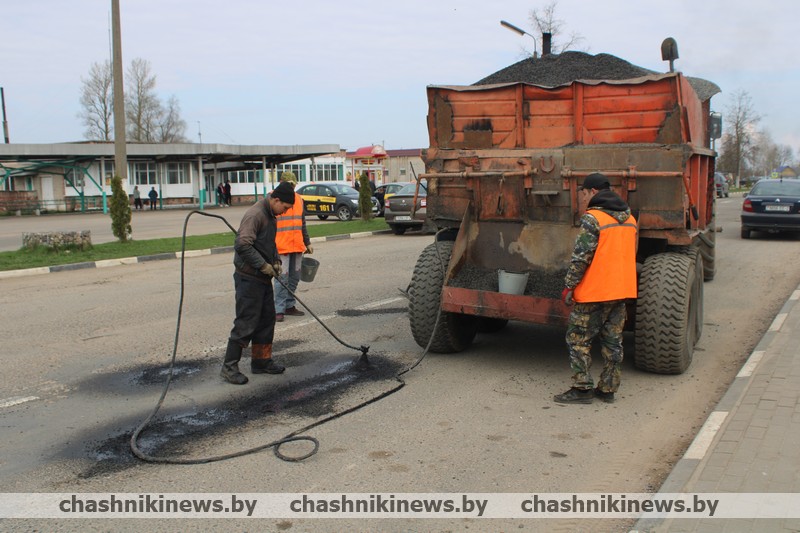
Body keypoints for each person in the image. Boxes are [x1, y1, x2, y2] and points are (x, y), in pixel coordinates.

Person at [554, 172, 638, 405]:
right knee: (613, 341)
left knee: (578, 339)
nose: (582, 198)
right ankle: (608, 389)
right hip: (620, 291)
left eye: (582, 193)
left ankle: (582, 388)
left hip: (594, 291)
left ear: (592, 192)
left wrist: (569, 285)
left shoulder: (593, 219)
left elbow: (581, 257)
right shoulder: (630, 219)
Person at [221, 180, 296, 385]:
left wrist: (276, 261)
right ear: (276, 200)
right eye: (285, 208)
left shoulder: (271, 214)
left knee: (266, 320)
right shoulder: (256, 214)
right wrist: (263, 266)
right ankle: (229, 368)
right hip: (248, 278)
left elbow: (269, 243)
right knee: (246, 322)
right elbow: (242, 244)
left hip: (262, 278)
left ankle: (261, 362)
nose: (285, 212)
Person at [273, 172, 313, 322]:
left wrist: (307, 242)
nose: (291, 187)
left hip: (296, 245)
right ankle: (279, 309)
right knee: (281, 279)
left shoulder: (299, 200)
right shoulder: (273, 198)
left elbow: (302, 223)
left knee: (294, 277)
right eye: (289, 184)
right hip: (281, 246)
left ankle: (289, 305)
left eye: (293, 185)